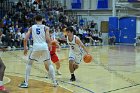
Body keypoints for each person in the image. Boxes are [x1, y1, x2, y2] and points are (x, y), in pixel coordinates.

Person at [19, 15, 58, 88]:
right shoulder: (46, 28)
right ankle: (54, 82)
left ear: (35, 20)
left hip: (36, 47)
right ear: (42, 20)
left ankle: (26, 83)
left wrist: (25, 47)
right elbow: (48, 38)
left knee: (29, 64)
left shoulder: (31, 28)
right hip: (44, 47)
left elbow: (25, 39)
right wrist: (50, 46)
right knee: (49, 64)